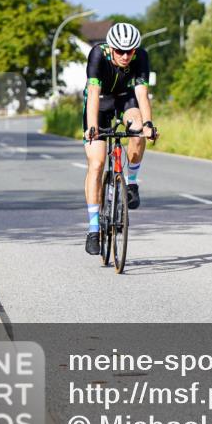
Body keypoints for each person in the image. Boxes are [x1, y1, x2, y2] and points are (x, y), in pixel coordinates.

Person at [82, 23, 157, 255]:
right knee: (96, 164)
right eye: (120, 51)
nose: (126, 56)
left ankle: (131, 182)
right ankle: (94, 229)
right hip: (100, 103)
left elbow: (142, 93)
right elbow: (93, 93)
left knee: (138, 129)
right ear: (111, 48)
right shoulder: (97, 54)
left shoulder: (141, 56)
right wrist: (93, 127)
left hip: (126, 100)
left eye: (130, 51)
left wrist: (148, 125)